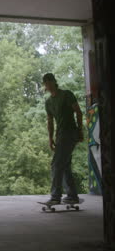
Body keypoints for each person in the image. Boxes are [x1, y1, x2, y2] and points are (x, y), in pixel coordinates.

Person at [42, 73, 83, 205]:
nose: (48, 85)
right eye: (46, 83)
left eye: (50, 82)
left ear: (54, 82)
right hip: (60, 135)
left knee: (56, 164)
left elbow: (78, 111)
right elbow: (50, 122)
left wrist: (79, 130)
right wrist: (50, 139)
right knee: (64, 165)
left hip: (70, 133)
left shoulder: (66, 95)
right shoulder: (48, 102)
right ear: (45, 86)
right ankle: (72, 196)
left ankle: (55, 196)